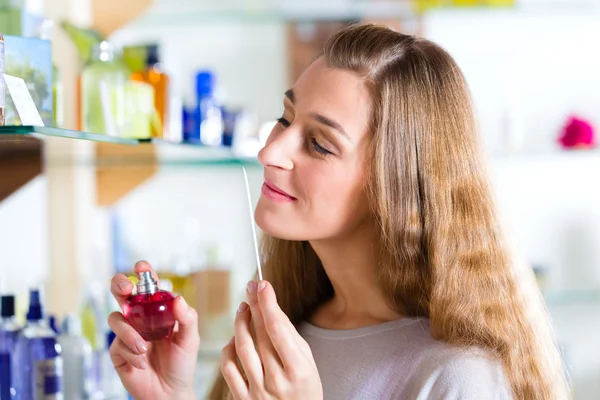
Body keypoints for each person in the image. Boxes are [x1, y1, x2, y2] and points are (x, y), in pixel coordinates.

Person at [108, 23, 570, 400]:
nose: (271, 150)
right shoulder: (290, 331)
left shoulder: (460, 378)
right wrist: (171, 395)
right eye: (286, 119)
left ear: (396, 188)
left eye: (318, 144)